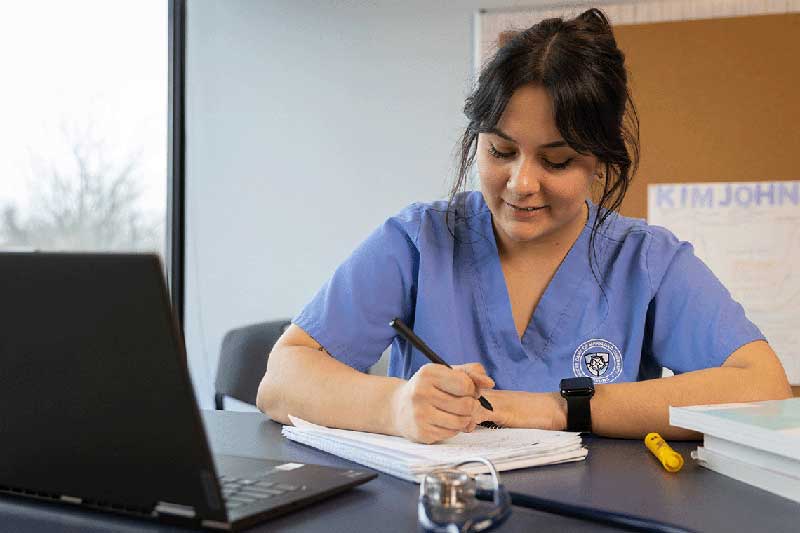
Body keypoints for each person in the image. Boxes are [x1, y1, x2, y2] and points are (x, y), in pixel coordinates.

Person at [257, 8, 791, 443]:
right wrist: (394, 405)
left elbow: (764, 389)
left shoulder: (646, 260)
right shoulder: (420, 240)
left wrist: (561, 409)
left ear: (600, 163)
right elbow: (281, 380)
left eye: (556, 161)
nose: (520, 184)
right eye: (501, 151)